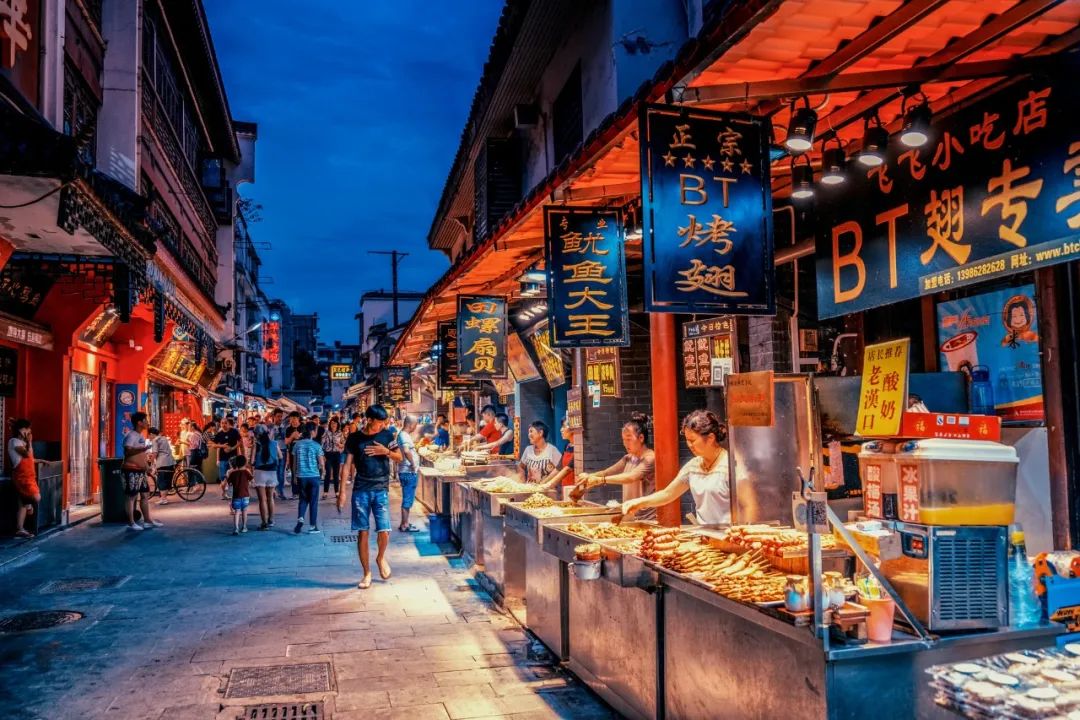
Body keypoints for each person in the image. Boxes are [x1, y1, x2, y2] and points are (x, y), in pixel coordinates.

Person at [621, 410, 730, 525]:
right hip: (704, 535)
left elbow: (747, 507)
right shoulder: (693, 466)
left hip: (730, 536)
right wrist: (640, 502)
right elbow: (668, 494)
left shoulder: (730, 466)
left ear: (711, 438)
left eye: (692, 440)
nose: (689, 445)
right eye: (687, 440)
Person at [338, 404, 402, 589]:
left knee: (384, 529)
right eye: (379, 423)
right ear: (370, 420)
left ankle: (380, 557)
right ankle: (366, 572)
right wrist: (342, 491)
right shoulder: (355, 438)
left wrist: (386, 452)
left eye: (384, 423)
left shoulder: (387, 435)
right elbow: (347, 465)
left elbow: (399, 457)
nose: (382, 426)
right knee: (363, 531)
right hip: (360, 489)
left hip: (381, 487)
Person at [574, 412, 656, 517]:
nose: (626, 444)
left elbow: (631, 477)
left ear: (641, 438)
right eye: (624, 440)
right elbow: (606, 472)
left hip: (647, 517)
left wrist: (601, 480)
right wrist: (589, 476)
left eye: (629, 439)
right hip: (630, 516)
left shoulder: (649, 458)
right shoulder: (628, 458)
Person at [121, 412, 163, 531]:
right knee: (131, 496)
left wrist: (147, 466)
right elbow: (127, 451)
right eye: (145, 420)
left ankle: (148, 520)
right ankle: (131, 522)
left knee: (145, 495)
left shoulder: (140, 436)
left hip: (141, 471)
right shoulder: (131, 435)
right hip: (130, 470)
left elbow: (141, 455)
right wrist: (143, 448)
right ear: (139, 423)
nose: (147, 422)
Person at [292, 422, 325, 534]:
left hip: (301, 476)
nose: (316, 432)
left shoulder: (297, 445)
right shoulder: (316, 445)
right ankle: (312, 526)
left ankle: (301, 517)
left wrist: (295, 475)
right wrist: (323, 471)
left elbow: (294, 462)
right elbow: (321, 463)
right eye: (315, 430)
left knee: (303, 499)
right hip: (313, 476)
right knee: (313, 501)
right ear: (311, 431)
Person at [10, 419, 40, 539]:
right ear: (19, 430)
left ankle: (20, 528)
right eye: (26, 429)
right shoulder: (14, 442)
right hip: (21, 477)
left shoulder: (23, 443)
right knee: (36, 497)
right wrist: (29, 442)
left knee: (22, 504)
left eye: (29, 429)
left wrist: (41, 460)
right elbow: (26, 455)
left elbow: (30, 459)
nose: (28, 431)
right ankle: (29, 506)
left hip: (30, 476)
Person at [396, 416, 421, 532]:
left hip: (406, 471)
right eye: (415, 425)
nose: (415, 427)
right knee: (407, 499)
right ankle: (405, 525)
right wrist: (413, 464)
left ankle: (404, 523)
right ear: (410, 425)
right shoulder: (404, 435)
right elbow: (406, 451)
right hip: (408, 472)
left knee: (408, 498)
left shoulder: (403, 435)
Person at [252, 425, 279, 529]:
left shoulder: (256, 445)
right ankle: (271, 520)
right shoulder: (274, 443)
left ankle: (264, 523)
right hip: (272, 472)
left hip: (260, 472)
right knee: (270, 498)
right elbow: (280, 456)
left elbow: (252, 461)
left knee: (262, 499)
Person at [519, 420, 563, 486]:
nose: (529, 435)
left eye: (531, 431)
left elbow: (560, 470)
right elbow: (521, 467)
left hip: (547, 491)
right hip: (529, 489)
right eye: (529, 432)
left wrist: (546, 483)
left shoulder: (552, 450)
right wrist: (522, 483)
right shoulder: (528, 449)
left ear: (540, 433)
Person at [210, 417, 241, 500]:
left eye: (225, 423)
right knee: (223, 477)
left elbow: (239, 442)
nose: (223, 425)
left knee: (233, 476)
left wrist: (232, 448)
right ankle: (224, 493)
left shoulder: (234, 432)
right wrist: (222, 446)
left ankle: (234, 493)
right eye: (222, 423)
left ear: (228, 424)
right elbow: (213, 445)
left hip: (233, 458)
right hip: (223, 458)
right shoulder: (219, 434)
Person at [147, 427, 177, 506]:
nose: (149, 437)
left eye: (149, 435)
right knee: (167, 480)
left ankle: (163, 499)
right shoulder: (164, 438)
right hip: (170, 461)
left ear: (151, 434)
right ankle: (164, 498)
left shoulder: (155, 440)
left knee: (161, 481)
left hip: (162, 462)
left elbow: (155, 453)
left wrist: (151, 461)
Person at [226, 456, 253, 535]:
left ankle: (236, 528)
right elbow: (252, 480)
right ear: (245, 463)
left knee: (237, 512)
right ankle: (244, 527)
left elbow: (229, 483)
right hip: (245, 495)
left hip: (236, 496)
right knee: (244, 511)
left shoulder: (233, 473)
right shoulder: (246, 472)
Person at [321, 417, 345, 499]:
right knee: (327, 473)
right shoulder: (326, 432)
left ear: (337, 424)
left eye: (335, 423)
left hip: (336, 454)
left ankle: (337, 492)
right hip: (328, 454)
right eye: (332, 423)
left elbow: (344, 444)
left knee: (336, 474)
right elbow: (322, 444)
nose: (333, 425)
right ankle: (325, 492)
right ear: (330, 424)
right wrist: (322, 455)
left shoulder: (340, 433)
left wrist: (340, 446)